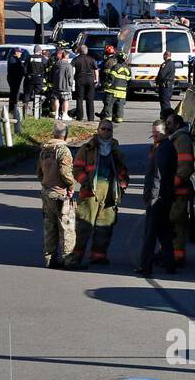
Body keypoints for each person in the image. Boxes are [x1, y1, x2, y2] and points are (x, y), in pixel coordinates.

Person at [70, 120, 130, 266]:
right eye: (103, 129)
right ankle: (75, 256)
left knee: (105, 225)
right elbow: (77, 169)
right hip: (91, 192)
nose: (106, 132)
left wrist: (122, 185)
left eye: (109, 130)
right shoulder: (87, 148)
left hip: (110, 192)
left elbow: (123, 170)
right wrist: (85, 182)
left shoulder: (116, 150)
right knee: (84, 225)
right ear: (97, 130)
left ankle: (98, 256)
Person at [137, 120, 177, 276]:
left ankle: (145, 267)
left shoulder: (163, 149)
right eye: (153, 132)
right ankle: (170, 265)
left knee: (150, 234)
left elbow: (157, 176)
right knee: (164, 232)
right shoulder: (163, 147)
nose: (155, 135)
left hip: (158, 198)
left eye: (158, 133)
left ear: (164, 132)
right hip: (164, 197)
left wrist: (152, 197)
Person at [36, 122, 76, 268]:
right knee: (67, 227)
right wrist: (71, 185)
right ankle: (69, 259)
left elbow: (39, 173)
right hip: (60, 194)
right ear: (66, 134)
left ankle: (50, 258)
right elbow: (65, 173)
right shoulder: (63, 150)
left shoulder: (44, 150)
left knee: (49, 226)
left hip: (46, 191)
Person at [164, 110, 193, 268]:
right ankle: (168, 253)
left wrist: (173, 183)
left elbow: (185, 166)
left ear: (177, 124)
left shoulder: (182, 140)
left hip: (178, 192)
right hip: (172, 191)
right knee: (169, 224)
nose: (166, 126)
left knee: (176, 225)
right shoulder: (174, 139)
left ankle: (177, 256)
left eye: (169, 123)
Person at [72, 45, 99, 122]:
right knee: (90, 99)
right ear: (86, 51)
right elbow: (96, 70)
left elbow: (72, 69)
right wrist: (96, 79)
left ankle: (79, 116)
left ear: (79, 51)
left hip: (79, 79)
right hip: (90, 79)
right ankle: (90, 118)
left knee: (79, 99)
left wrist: (73, 79)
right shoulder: (91, 59)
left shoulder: (76, 59)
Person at [106, 52, 131, 123]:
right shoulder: (128, 68)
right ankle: (119, 118)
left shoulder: (116, 66)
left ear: (118, 59)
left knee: (109, 104)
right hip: (122, 91)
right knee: (120, 105)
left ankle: (108, 118)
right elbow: (128, 80)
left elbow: (111, 77)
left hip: (113, 90)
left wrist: (108, 84)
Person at [6, 48, 27, 126]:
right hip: (13, 79)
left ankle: (13, 108)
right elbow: (16, 69)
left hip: (15, 79)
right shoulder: (13, 60)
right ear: (16, 52)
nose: (21, 54)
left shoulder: (16, 59)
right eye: (20, 52)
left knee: (15, 93)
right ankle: (12, 109)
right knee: (14, 94)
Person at [26, 48, 49, 118]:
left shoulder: (29, 58)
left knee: (27, 94)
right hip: (39, 78)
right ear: (39, 51)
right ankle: (35, 112)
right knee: (37, 95)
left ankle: (24, 111)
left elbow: (25, 67)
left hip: (30, 78)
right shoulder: (42, 58)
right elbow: (46, 67)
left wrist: (27, 75)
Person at [155, 50, 178, 117]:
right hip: (169, 86)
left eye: (163, 55)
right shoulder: (172, 64)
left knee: (164, 103)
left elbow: (162, 74)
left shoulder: (165, 64)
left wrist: (157, 81)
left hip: (164, 86)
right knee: (166, 102)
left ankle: (166, 116)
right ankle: (167, 116)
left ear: (165, 55)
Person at [53, 49, 75, 119]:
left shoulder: (56, 64)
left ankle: (56, 114)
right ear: (66, 56)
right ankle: (64, 115)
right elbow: (70, 77)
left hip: (56, 86)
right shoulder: (68, 66)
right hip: (65, 86)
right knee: (66, 100)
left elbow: (52, 75)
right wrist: (71, 85)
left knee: (56, 99)